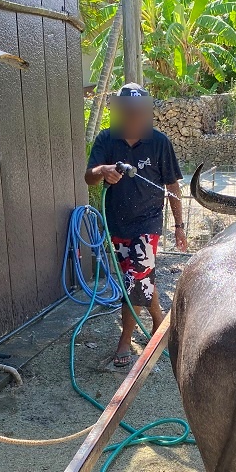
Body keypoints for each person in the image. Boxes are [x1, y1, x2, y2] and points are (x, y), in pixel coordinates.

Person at [85, 83, 187, 368]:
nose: (134, 117)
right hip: (116, 223)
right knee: (140, 278)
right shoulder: (106, 140)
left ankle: (125, 340)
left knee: (135, 281)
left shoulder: (159, 142)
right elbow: (88, 177)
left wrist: (179, 225)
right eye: (128, 112)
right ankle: (159, 320)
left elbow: (172, 184)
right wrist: (101, 171)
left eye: (139, 112)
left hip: (148, 223)